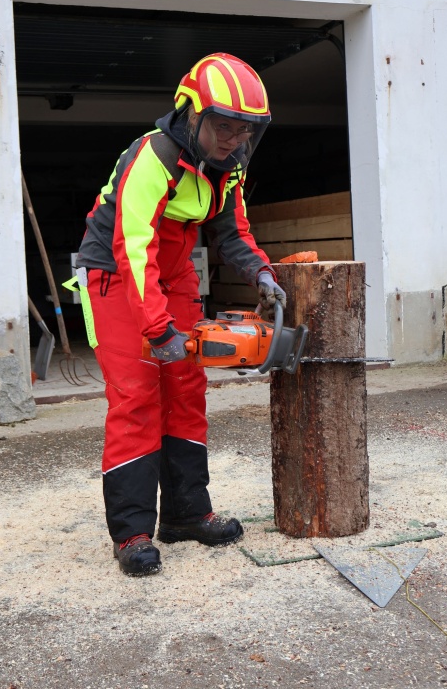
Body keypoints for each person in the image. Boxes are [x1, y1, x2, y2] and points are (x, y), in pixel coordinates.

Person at [74, 53, 286, 577]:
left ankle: (188, 514)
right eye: (224, 127)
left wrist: (261, 274)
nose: (233, 140)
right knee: (138, 396)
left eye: (244, 131)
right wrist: (156, 327)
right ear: (191, 115)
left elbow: (233, 233)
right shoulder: (153, 156)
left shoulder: (227, 169)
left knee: (187, 390)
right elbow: (133, 245)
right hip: (116, 276)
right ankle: (133, 533)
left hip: (174, 275)